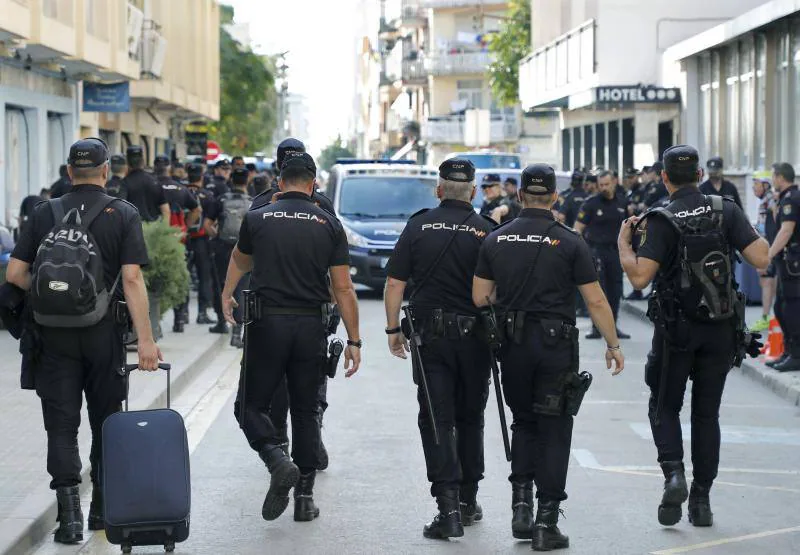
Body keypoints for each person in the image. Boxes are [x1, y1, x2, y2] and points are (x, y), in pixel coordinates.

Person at [5, 138, 160, 544]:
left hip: (51, 338)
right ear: (107, 171)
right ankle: (102, 510)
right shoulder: (122, 213)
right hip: (103, 335)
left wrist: (50, 297)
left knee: (61, 426)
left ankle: (69, 517)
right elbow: (132, 279)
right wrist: (146, 341)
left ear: (70, 172)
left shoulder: (44, 213)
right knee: (105, 421)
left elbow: (16, 276)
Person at [473, 163, 624, 551]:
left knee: (523, 422)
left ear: (521, 195)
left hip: (514, 345)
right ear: (554, 197)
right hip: (556, 347)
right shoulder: (570, 242)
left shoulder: (496, 239)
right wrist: (613, 344)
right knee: (555, 430)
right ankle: (546, 523)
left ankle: (520, 507)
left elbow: (480, 297)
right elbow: (594, 299)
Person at [619, 145, 768, 529]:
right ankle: (701, 501)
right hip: (720, 329)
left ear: (665, 178)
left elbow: (638, 277)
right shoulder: (725, 210)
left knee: (664, 406)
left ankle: (673, 475)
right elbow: (762, 258)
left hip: (676, 332)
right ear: (700, 174)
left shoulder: (661, 219)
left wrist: (624, 244)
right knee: (706, 415)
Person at [221, 151, 362, 523]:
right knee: (306, 411)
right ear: (314, 186)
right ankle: (304, 498)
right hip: (311, 327)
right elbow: (343, 288)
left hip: (267, 326)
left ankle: (276, 458)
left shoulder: (257, 218)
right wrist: (355, 339)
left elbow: (240, 259)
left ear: (280, 184)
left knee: (248, 406)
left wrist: (226, 293)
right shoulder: (330, 225)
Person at [384, 158, 494, 540]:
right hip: (476, 341)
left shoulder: (418, 226)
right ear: (474, 192)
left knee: (436, 419)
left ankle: (447, 509)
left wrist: (392, 329)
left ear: (439, 189)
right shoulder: (487, 231)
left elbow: (395, 283)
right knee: (470, 418)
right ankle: (468, 499)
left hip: (430, 340)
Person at [575, 170, 631, 339]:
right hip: (596, 251)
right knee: (600, 291)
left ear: (614, 182)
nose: (604, 188)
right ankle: (596, 327)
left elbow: (628, 228)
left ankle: (613, 326)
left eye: (607, 184)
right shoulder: (590, 203)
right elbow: (577, 229)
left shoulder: (622, 202)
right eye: (601, 185)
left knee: (615, 290)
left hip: (615, 252)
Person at [206, 167, 251, 345]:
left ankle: (221, 322)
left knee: (222, 286)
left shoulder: (220, 200)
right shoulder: (252, 202)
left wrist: (216, 236)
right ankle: (236, 333)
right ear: (247, 181)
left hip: (222, 249)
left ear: (231, 180)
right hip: (243, 250)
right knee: (241, 288)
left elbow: (207, 224)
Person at [155, 155, 200, 333]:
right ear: (169, 169)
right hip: (178, 240)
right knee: (180, 277)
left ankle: (154, 320)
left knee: (154, 280)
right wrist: (186, 227)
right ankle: (180, 318)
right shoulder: (181, 189)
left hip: (155, 239)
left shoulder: (151, 186)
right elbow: (197, 209)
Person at [767, 162, 800, 372]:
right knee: (780, 306)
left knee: (791, 308)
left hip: (793, 262)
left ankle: (796, 354)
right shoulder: (784, 199)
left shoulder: (791, 199)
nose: (772, 181)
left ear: (780, 177)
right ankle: (789, 350)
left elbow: (786, 231)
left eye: (773, 177)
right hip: (786, 262)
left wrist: (768, 255)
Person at [185, 163, 217, 325]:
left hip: (184, 239)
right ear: (201, 178)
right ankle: (202, 313)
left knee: (184, 276)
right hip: (202, 241)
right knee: (205, 277)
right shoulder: (208, 195)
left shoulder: (182, 192)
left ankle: (182, 315)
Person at [750, 171, 778, 333]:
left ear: (765, 185)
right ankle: (769, 316)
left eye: (756, 184)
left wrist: (766, 255)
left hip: (770, 248)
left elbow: (772, 228)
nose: (754, 188)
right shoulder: (766, 201)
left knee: (767, 281)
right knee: (767, 282)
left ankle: (767, 318)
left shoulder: (771, 202)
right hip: (767, 247)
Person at [123, 146, 169, 222]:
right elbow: (166, 211)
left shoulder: (124, 183)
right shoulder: (155, 181)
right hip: (153, 230)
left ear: (127, 162)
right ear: (142, 161)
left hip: (133, 230)